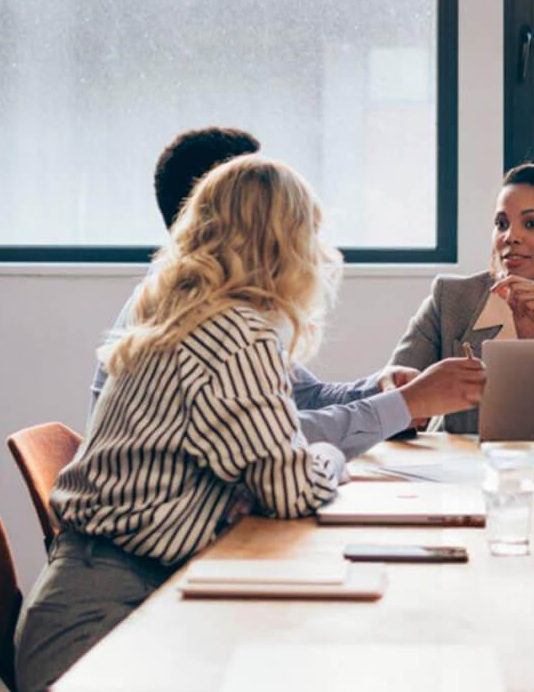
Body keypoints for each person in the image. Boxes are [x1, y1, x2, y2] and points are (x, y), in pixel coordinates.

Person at [19, 156, 357, 692]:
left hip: (93, 604)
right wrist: (326, 454)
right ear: (285, 243)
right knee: (301, 690)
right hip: (98, 638)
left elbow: (255, 472)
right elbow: (293, 489)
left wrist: (250, 482)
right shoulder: (235, 333)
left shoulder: (181, 311)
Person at [89, 126, 483, 457]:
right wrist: (402, 405)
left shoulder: (216, 300)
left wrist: (378, 387)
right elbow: (278, 437)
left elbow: (301, 397)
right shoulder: (195, 314)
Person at [389, 163, 534, 434]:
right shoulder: (450, 299)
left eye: (532, 223)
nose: (511, 237)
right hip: (461, 467)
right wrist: (406, 395)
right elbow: (388, 398)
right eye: (501, 224)